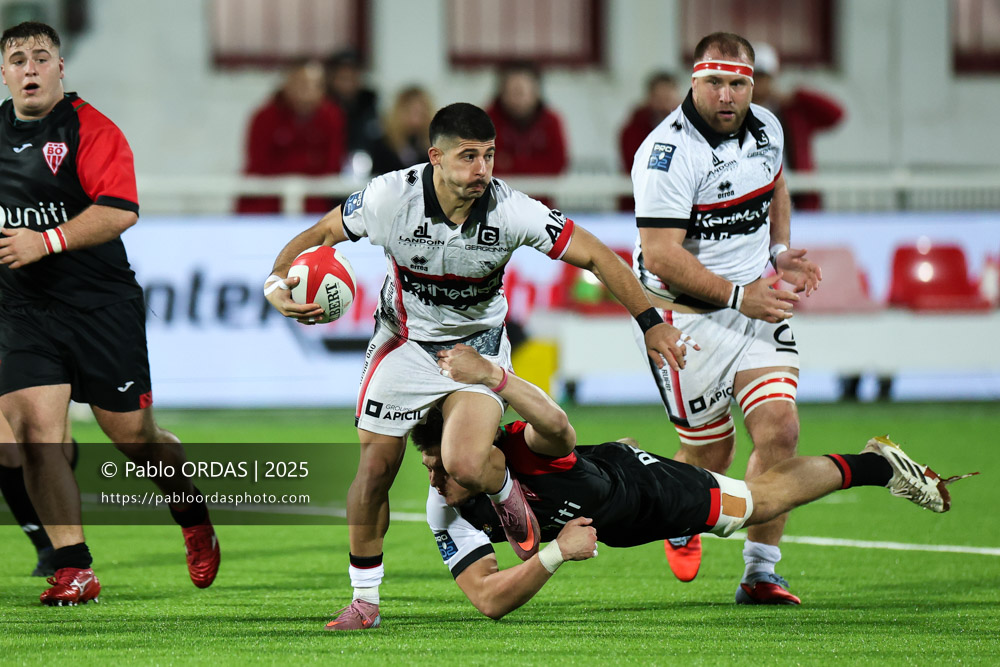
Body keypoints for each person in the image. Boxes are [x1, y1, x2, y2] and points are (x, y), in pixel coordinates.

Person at [263, 102, 691, 630]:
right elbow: (322, 234)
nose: (482, 170)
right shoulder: (389, 197)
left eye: (488, 156)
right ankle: (364, 602)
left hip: (477, 345)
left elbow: (598, 255)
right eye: (468, 157)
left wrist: (651, 322)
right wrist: (276, 286)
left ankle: (508, 492)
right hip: (404, 342)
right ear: (435, 157)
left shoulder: (513, 210)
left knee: (464, 465)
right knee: (375, 470)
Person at [416, 343, 971, 619]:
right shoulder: (442, 506)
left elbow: (558, 428)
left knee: (753, 504)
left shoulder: (521, 445)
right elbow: (488, 601)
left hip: (641, 488)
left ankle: (878, 465)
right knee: (716, 465)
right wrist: (555, 556)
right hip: (609, 527)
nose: (437, 476)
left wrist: (494, 375)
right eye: (430, 466)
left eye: (442, 462)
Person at [0, 22, 220, 606]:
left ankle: (190, 508)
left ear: (60, 67)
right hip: (23, 309)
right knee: (35, 433)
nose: (29, 68)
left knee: (132, 436)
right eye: (17, 59)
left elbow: (120, 211)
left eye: (40, 57)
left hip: (100, 307)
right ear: (3, 73)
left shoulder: (88, 128)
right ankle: (73, 567)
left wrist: (42, 241)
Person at [629, 32, 823, 604]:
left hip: (753, 311)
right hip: (685, 320)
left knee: (780, 431)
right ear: (693, 80)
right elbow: (662, 254)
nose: (726, 95)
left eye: (738, 82)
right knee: (710, 456)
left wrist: (778, 251)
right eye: (714, 81)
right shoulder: (666, 153)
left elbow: (776, 182)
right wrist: (740, 297)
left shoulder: (767, 126)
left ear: (752, 85)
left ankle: (760, 571)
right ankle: (679, 513)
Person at [236, 59, 346, 214]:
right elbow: (259, 165)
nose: (309, 90)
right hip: (264, 206)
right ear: (287, 83)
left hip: (314, 206)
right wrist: (308, 164)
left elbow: (333, 165)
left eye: (316, 85)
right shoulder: (264, 117)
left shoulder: (332, 116)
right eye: (302, 83)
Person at [750, 43, 844, 211]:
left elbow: (836, 114)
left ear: (774, 78)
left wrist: (798, 95)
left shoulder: (791, 112)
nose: (759, 83)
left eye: (764, 76)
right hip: (751, 202)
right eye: (755, 76)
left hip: (795, 200)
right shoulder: (733, 114)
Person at [486, 62, 568, 207]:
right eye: (512, 91)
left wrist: (510, 163)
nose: (517, 98)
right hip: (497, 208)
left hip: (542, 208)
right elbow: (484, 167)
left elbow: (557, 164)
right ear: (501, 92)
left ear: (536, 91)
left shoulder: (551, 121)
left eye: (522, 91)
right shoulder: (486, 120)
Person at [617, 72, 681, 212]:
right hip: (638, 205)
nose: (664, 104)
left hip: (679, 206)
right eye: (660, 98)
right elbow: (635, 162)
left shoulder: (692, 128)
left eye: (668, 98)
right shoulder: (634, 128)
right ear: (650, 98)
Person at [325, 49, 382, 177]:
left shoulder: (370, 104)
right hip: (330, 177)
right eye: (342, 76)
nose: (348, 81)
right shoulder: (324, 107)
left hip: (369, 177)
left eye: (353, 75)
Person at [370, 85, 433, 176]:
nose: (416, 120)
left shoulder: (432, 148)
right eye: (410, 113)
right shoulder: (383, 146)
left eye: (421, 114)